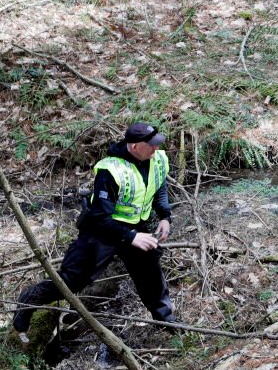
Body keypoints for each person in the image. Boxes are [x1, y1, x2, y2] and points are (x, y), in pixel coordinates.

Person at [13, 120, 174, 341]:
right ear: (135, 146)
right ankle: (29, 300)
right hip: (101, 230)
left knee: (150, 270)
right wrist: (131, 236)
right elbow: (99, 217)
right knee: (72, 280)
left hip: (135, 227)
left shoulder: (157, 159)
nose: (156, 149)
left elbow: (159, 187)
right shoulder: (110, 171)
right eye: (151, 145)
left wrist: (165, 216)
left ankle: (165, 320)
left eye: (157, 144)